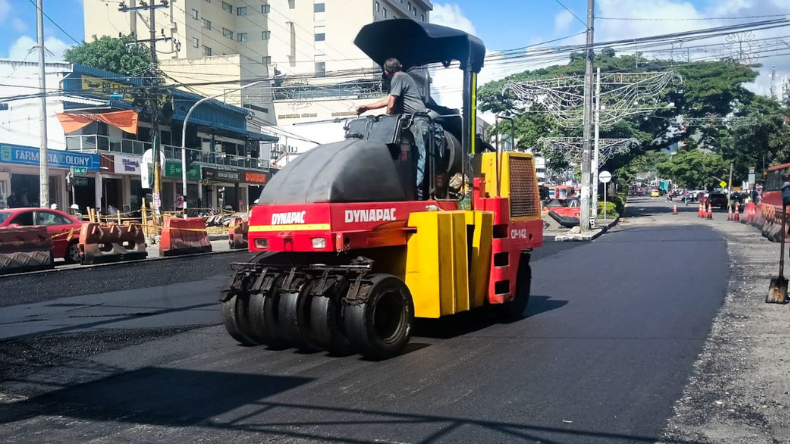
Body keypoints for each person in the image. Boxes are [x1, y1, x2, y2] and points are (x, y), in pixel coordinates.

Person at [357, 57, 428, 199]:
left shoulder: (398, 77)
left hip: (418, 120)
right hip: (413, 120)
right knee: (410, 155)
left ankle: (418, 192)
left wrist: (388, 120)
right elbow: (387, 100)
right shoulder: (402, 77)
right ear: (399, 65)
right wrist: (366, 107)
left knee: (419, 155)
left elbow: (391, 104)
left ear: (385, 72)